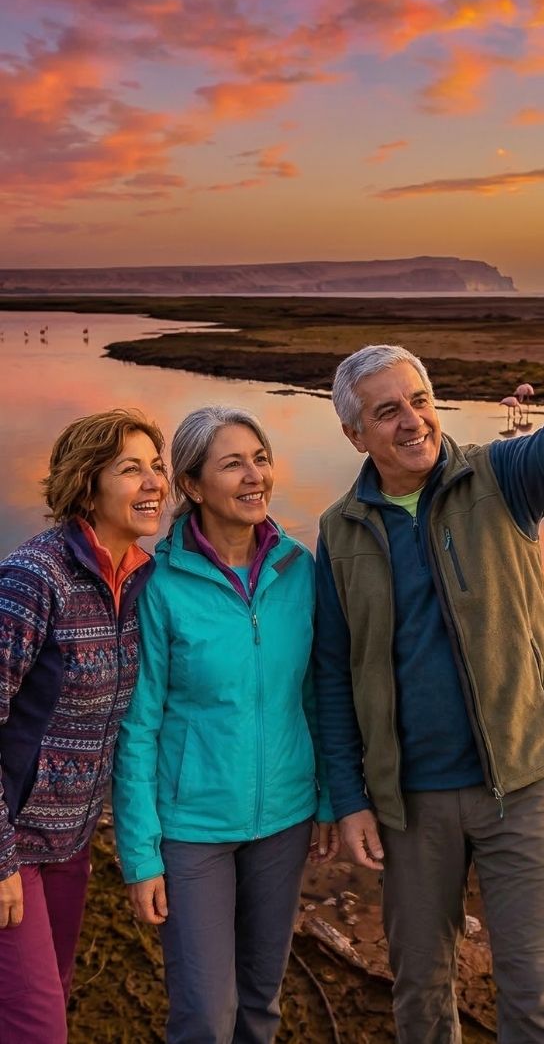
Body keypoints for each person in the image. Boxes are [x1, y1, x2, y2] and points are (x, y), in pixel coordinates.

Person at [313, 330, 544, 1044]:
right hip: (411, 800)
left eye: (419, 399)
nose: (412, 419)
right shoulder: (341, 530)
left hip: (523, 782)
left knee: (534, 992)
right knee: (420, 990)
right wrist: (348, 797)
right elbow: (332, 674)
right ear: (355, 433)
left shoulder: (499, 479)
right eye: (387, 411)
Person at [112, 404, 337, 1044]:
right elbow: (138, 727)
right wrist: (139, 854)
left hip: (285, 820)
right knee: (206, 1016)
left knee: (261, 1005)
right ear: (191, 484)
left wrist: (326, 796)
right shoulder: (158, 585)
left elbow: (319, 692)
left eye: (260, 459)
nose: (253, 476)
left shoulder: (299, 568)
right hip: (192, 831)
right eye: (232, 463)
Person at [0, 408, 168, 1044]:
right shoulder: (33, 578)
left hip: (71, 845)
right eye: (131, 469)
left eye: (158, 467)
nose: (154, 482)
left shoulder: (143, 579)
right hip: (14, 843)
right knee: (37, 1028)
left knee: (46, 1003)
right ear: (86, 484)